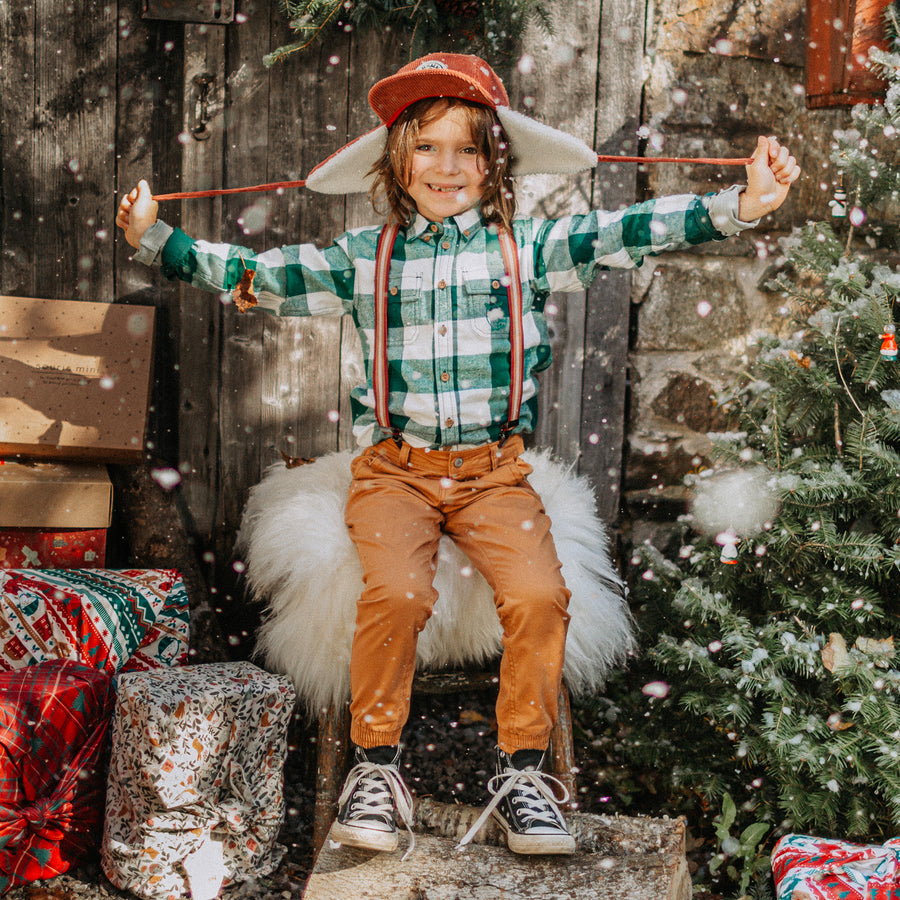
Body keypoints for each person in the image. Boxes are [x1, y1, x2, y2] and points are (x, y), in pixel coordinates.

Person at [116, 52, 800, 858]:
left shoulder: (530, 247)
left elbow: (628, 231)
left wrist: (739, 206)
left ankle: (523, 775)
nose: (447, 167)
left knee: (542, 595)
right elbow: (255, 272)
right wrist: (155, 236)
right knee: (399, 594)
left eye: (468, 149)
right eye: (428, 147)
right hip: (394, 471)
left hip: (493, 474)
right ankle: (375, 767)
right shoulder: (360, 258)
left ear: (497, 162)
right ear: (396, 159)